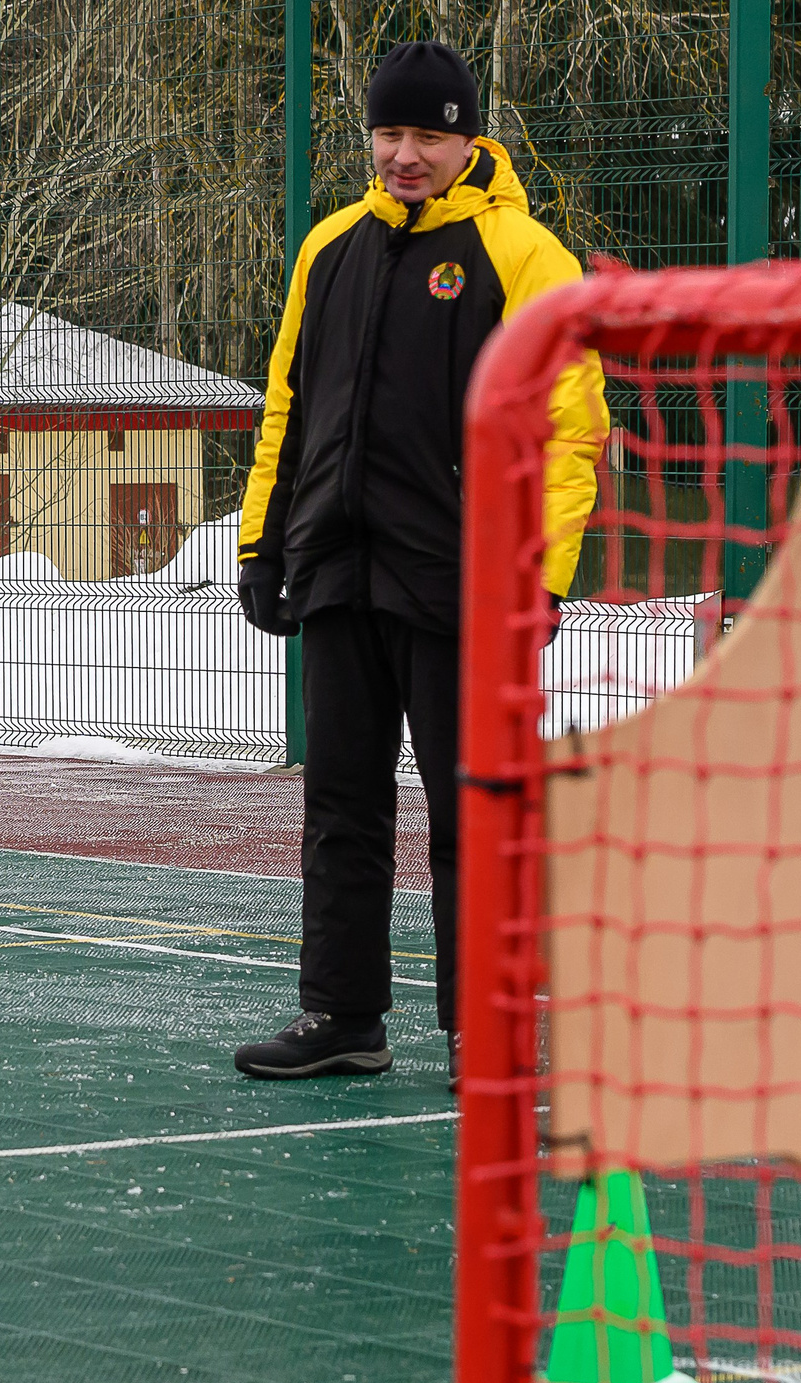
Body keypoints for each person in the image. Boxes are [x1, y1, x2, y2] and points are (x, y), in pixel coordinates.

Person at [230, 41, 607, 1081]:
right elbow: (288, 407)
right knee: (341, 803)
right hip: (341, 572)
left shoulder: (527, 256)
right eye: (389, 134)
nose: (404, 155)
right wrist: (266, 542)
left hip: (466, 584)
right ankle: (342, 1016)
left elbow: (570, 432)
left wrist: (542, 578)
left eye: (427, 137)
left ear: (469, 140)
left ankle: (483, 1028)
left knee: (470, 810)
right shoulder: (331, 248)